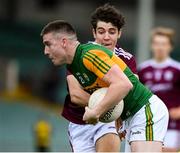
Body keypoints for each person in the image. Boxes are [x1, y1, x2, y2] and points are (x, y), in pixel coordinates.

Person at [41, 20, 169, 152]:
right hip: (132, 117)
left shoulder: (88, 55)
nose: (45, 51)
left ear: (63, 42)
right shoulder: (74, 64)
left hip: (145, 110)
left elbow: (124, 84)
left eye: (48, 44)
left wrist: (96, 112)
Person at [61, 4, 137, 152]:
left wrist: (109, 112)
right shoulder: (78, 55)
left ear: (119, 33)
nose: (106, 37)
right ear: (94, 32)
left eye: (112, 32)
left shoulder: (127, 59)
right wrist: (109, 104)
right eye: (101, 32)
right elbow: (75, 95)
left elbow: (130, 95)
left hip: (108, 120)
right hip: (80, 121)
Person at [138, 27, 180, 152]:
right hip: (150, 123)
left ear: (170, 47)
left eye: (163, 44)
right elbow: (135, 94)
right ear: (152, 45)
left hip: (172, 124)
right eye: (156, 43)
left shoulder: (177, 69)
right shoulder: (143, 69)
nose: (160, 47)